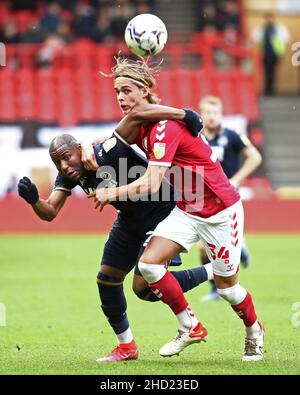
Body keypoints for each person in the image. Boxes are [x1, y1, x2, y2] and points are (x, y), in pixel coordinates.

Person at [90, 56, 264, 362]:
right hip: (187, 209)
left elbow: (151, 181)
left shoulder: (162, 129)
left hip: (221, 212)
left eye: (127, 90)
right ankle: (190, 326)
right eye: (117, 91)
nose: (120, 97)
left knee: (228, 290)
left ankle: (254, 331)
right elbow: (113, 139)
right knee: (148, 266)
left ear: (144, 90)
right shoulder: (141, 124)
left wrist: (112, 192)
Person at [18, 107, 213, 363]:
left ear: (79, 148)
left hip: (162, 212)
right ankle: (126, 347)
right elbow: (50, 211)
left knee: (143, 289)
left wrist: (184, 114)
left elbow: (133, 118)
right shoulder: (69, 174)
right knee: (107, 280)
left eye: (66, 157)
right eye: (58, 162)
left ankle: (213, 271)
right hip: (130, 220)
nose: (64, 166)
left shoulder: (107, 151)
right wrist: (34, 200)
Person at [198, 95, 262, 301]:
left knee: (212, 245)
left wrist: (236, 179)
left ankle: (237, 249)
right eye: (208, 112)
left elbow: (255, 156)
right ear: (201, 114)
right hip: (205, 198)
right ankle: (215, 287)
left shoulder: (233, 136)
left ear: (221, 114)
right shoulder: (196, 138)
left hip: (227, 198)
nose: (212, 117)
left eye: (215, 112)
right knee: (204, 247)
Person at [251, 13, 290, 96]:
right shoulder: (261, 29)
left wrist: (281, 52)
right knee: (265, 72)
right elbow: (254, 37)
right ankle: (266, 89)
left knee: (273, 72)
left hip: (275, 53)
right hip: (263, 53)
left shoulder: (279, 29)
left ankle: (272, 89)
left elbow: (286, 39)